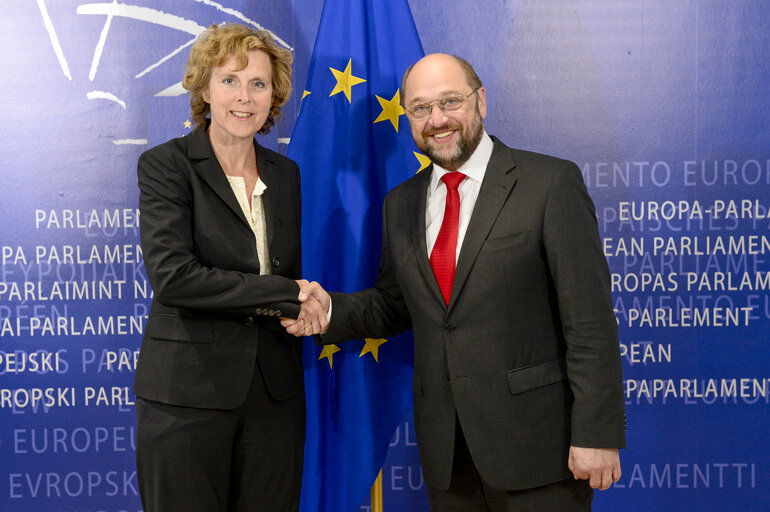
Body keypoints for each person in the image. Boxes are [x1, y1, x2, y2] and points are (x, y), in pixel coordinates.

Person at [286, 53, 625, 511]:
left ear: (480, 101)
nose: (437, 120)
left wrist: (596, 433)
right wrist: (330, 312)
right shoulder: (400, 203)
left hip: (540, 451)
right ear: (407, 117)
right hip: (448, 455)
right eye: (420, 108)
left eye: (450, 101)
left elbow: (590, 321)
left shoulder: (549, 183)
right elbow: (395, 303)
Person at [134, 24, 305, 512]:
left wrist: (306, 302)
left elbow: (285, 268)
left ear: (274, 96)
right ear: (204, 88)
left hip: (275, 396)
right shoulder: (167, 166)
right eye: (230, 81)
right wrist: (283, 293)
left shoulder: (285, 175)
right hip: (187, 393)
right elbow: (174, 278)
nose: (244, 97)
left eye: (258, 84)